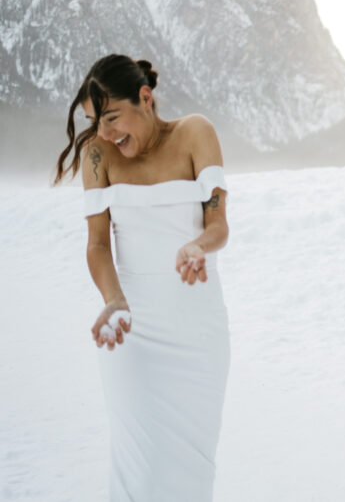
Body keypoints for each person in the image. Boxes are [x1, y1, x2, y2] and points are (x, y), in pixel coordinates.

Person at [54, 54, 231, 500]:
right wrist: (113, 300)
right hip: (131, 329)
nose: (105, 132)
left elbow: (218, 225)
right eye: (96, 121)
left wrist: (198, 247)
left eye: (112, 117)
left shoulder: (196, 133)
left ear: (145, 99)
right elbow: (97, 244)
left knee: (191, 473)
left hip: (198, 333)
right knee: (141, 471)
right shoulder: (99, 155)